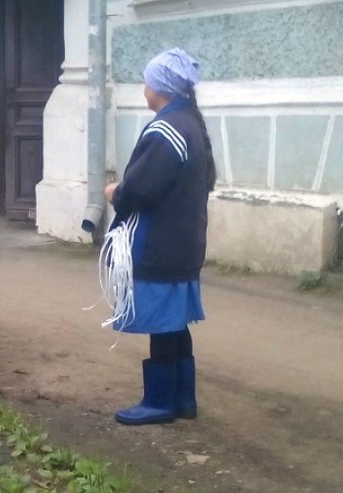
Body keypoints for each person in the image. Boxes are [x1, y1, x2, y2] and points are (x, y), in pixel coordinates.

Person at [102, 48, 216, 425]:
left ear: (160, 88)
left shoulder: (167, 129)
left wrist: (116, 192)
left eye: (147, 82)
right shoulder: (192, 123)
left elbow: (141, 190)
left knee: (163, 324)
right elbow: (208, 180)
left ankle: (159, 402)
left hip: (159, 244)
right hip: (184, 242)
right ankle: (183, 399)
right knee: (176, 321)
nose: (144, 88)